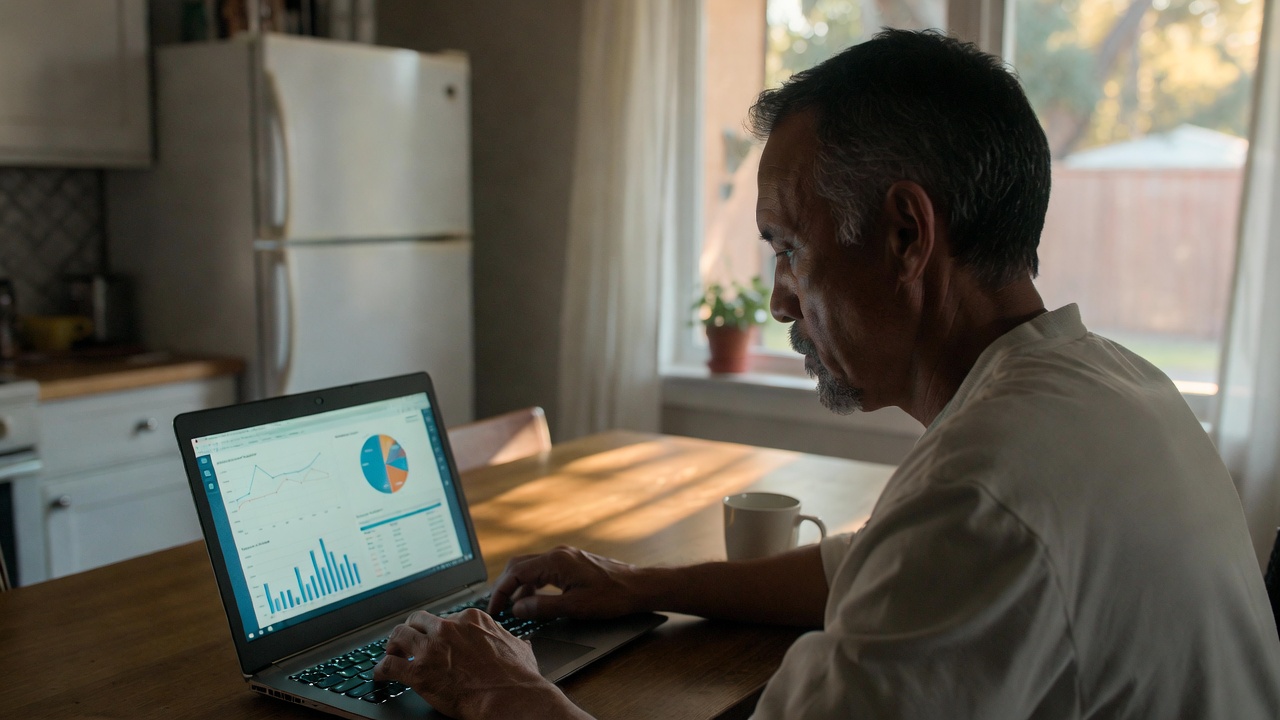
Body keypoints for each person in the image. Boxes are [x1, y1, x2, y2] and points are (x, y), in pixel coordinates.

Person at [374, 29, 1280, 719]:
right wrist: (643, 585)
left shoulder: (979, 499)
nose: (778, 300)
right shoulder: (1116, 386)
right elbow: (858, 570)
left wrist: (501, 690)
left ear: (906, 235)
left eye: (789, 248)